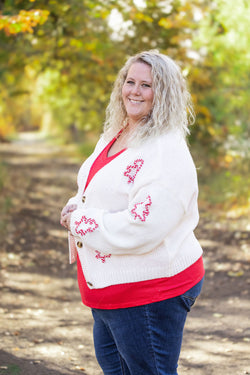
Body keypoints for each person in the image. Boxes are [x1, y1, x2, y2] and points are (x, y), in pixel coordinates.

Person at [60, 50, 205, 375]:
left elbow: (141, 226)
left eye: (147, 85)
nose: (134, 91)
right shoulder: (120, 132)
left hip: (148, 290)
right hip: (108, 288)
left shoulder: (166, 152)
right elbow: (101, 188)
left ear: (164, 93)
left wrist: (79, 221)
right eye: (130, 82)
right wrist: (77, 203)